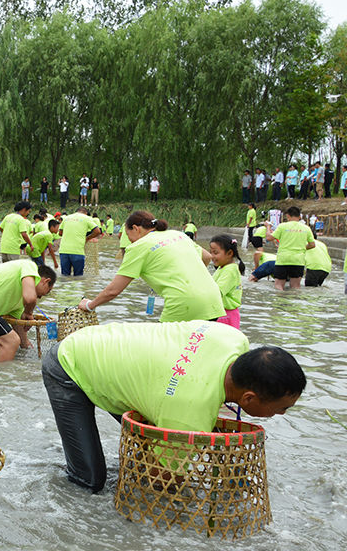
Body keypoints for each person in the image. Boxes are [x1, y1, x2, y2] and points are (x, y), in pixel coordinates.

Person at [43, 322, 305, 493]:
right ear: (248, 398)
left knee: (152, 449)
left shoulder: (234, 338)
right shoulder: (189, 411)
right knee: (89, 482)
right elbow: (162, 481)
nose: (280, 414)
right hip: (69, 363)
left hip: (106, 343)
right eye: (281, 408)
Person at [80, 211, 224, 322]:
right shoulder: (177, 235)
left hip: (183, 303)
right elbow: (207, 257)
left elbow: (113, 290)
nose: (130, 241)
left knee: (167, 354)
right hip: (214, 301)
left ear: (136, 228)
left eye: (129, 236)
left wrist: (89, 305)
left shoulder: (138, 247)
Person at [266, 206, 315, 290]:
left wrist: (268, 227)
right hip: (298, 260)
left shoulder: (282, 226)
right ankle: (295, 302)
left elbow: (269, 238)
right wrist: (302, 248)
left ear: (288, 216)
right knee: (296, 287)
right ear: (299, 216)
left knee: (279, 285)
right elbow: (312, 244)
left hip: (283, 259)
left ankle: (279, 302)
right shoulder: (306, 228)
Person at [209, 234, 245, 329]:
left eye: (215, 253)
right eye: (211, 252)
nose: (212, 256)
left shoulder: (230, 270)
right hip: (222, 312)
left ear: (229, 253)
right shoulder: (223, 268)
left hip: (226, 315)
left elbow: (217, 292)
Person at [58, 207, 101, 276]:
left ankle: (64, 287)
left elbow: (60, 233)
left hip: (63, 250)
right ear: (86, 213)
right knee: (78, 277)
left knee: (65, 276)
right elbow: (98, 231)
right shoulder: (86, 218)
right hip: (77, 251)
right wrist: (87, 238)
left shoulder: (66, 218)